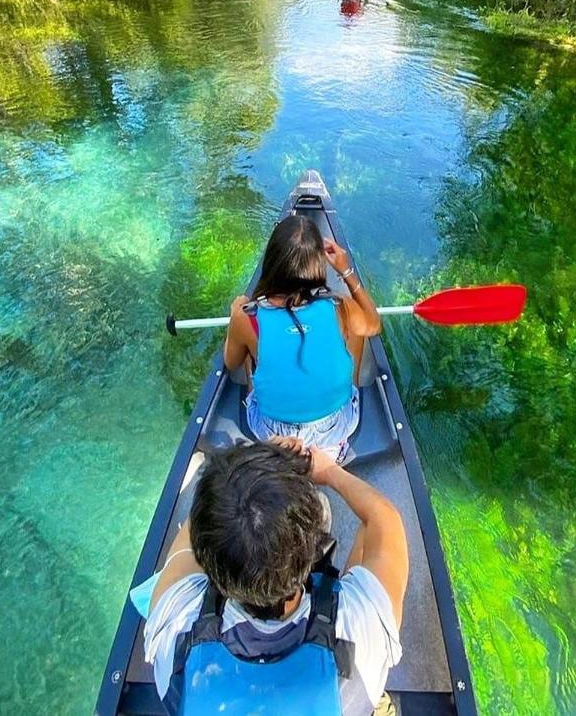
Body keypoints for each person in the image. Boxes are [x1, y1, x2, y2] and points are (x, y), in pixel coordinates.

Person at [141, 440, 408, 716]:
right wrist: (329, 472)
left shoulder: (175, 625)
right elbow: (381, 518)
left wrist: (242, 470)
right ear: (312, 544)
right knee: (368, 535)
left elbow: (195, 529)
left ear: (206, 556)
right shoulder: (363, 627)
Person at [223, 214, 381, 462]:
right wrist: (346, 271)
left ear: (272, 262)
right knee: (356, 332)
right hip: (333, 429)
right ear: (317, 265)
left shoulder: (248, 316)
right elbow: (373, 325)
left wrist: (236, 314)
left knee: (252, 351)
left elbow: (231, 363)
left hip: (272, 433)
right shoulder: (340, 306)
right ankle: (346, 391)